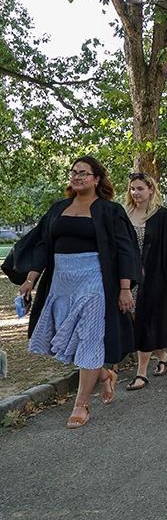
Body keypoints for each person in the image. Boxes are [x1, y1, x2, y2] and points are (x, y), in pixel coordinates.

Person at [3, 156, 140, 428]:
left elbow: (126, 249)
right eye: (74, 172)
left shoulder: (109, 211)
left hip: (94, 281)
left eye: (84, 173)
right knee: (66, 338)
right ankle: (103, 374)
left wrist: (125, 288)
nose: (77, 177)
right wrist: (31, 279)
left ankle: (81, 404)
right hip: (61, 282)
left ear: (96, 179)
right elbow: (42, 245)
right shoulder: (58, 209)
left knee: (89, 338)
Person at [123, 172, 167, 390]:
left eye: (140, 188)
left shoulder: (162, 216)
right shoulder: (124, 214)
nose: (136, 193)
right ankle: (163, 356)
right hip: (129, 279)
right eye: (132, 188)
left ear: (151, 190)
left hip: (156, 279)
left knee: (145, 322)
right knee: (136, 322)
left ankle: (141, 373)